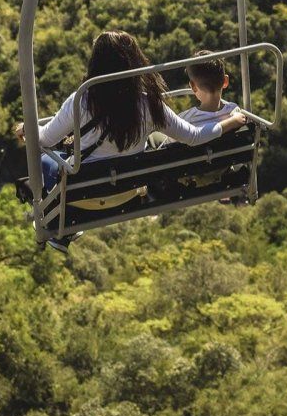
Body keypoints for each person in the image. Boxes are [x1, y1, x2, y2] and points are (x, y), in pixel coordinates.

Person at [16, 31, 248, 253]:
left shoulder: (82, 100)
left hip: (83, 198)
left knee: (46, 159)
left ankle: (57, 222)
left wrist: (28, 128)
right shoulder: (149, 104)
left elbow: (44, 138)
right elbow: (195, 137)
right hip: (130, 193)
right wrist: (232, 121)